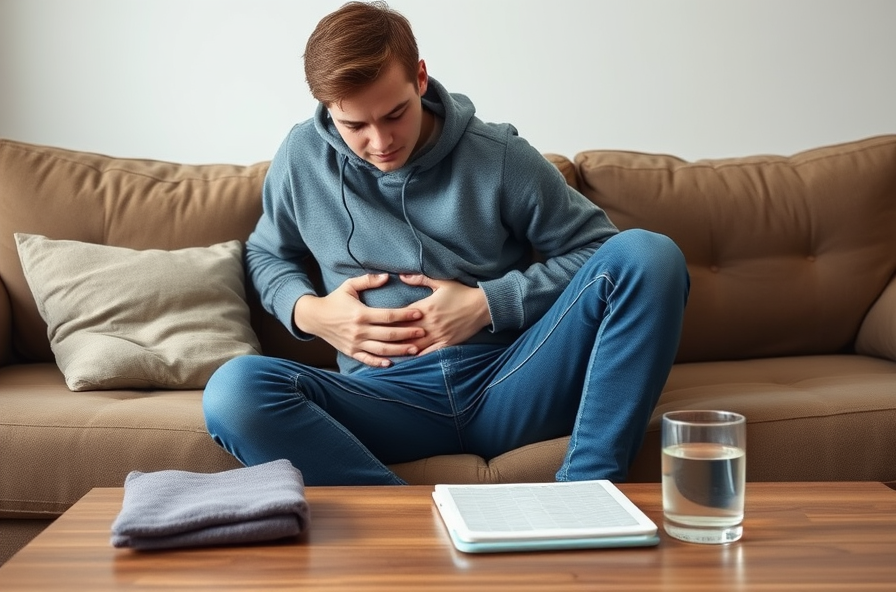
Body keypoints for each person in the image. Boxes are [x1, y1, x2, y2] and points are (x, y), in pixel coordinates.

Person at [203, 1, 689, 486]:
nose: (380, 142)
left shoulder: (498, 156)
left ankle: (588, 492)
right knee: (233, 392)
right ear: (329, 111)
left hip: (514, 381)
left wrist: (488, 304)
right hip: (383, 400)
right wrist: (313, 314)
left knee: (650, 255)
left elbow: (597, 252)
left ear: (419, 77)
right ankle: (401, 516)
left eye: (395, 114)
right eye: (356, 126)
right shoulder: (301, 158)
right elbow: (267, 252)